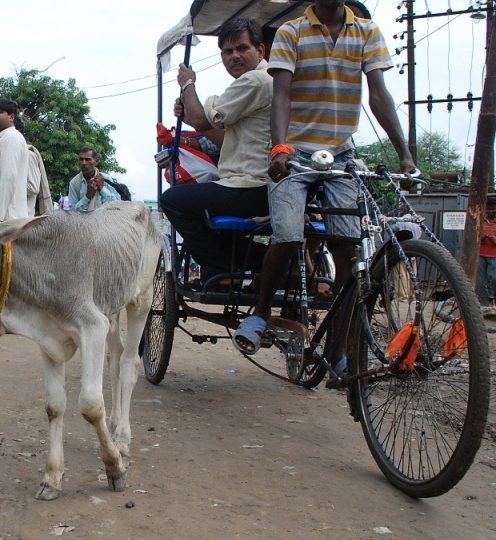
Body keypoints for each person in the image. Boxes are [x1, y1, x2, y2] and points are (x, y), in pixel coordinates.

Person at [234, 0, 418, 366]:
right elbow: (282, 95)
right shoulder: (292, 32)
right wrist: (280, 148)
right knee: (287, 234)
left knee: (349, 251)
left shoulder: (366, 32)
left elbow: (379, 94)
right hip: (295, 153)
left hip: (340, 154)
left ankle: (337, 350)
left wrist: (405, 153)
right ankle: (259, 312)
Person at [159, 17, 272, 279]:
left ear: (260, 50)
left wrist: (188, 85)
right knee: (201, 206)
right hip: (252, 184)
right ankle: (249, 261)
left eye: (242, 48)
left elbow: (201, 119)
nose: (234, 56)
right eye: (228, 51)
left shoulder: (256, 81)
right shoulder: (261, 81)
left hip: (251, 187)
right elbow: (223, 138)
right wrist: (190, 116)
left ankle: (226, 267)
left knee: (172, 200)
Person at [67, 147, 121, 212]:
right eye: (81, 159)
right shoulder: (74, 183)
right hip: (84, 221)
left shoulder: (106, 179)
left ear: (96, 162)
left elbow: (117, 206)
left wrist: (102, 188)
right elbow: (72, 212)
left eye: (88, 159)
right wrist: (87, 197)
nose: (84, 163)